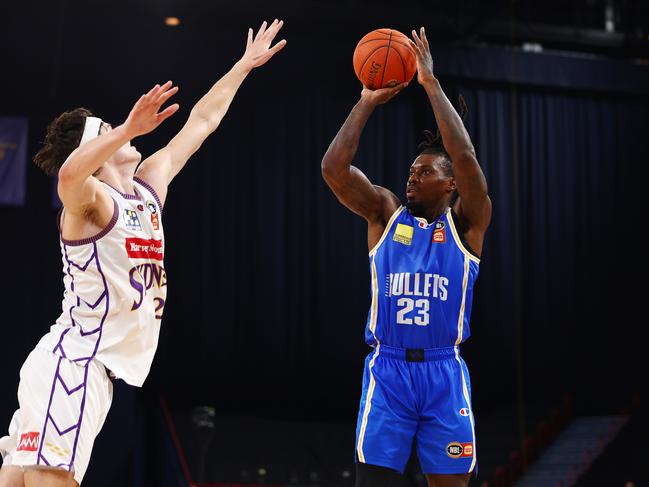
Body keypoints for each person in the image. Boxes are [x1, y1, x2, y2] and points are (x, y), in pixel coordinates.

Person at [0, 20, 286, 487]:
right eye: (110, 131)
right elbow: (69, 176)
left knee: (16, 481)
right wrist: (126, 128)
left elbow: (203, 121)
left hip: (85, 367)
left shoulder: (147, 190)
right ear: (96, 149)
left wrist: (243, 66)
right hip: (75, 364)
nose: (125, 133)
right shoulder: (89, 204)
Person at [321, 27, 491, 487]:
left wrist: (430, 84)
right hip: (389, 370)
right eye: (411, 171)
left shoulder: (467, 226)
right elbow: (333, 169)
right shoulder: (384, 213)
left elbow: (466, 156)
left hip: (443, 372)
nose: (411, 178)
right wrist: (367, 102)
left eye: (424, 172)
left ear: (451, 183)